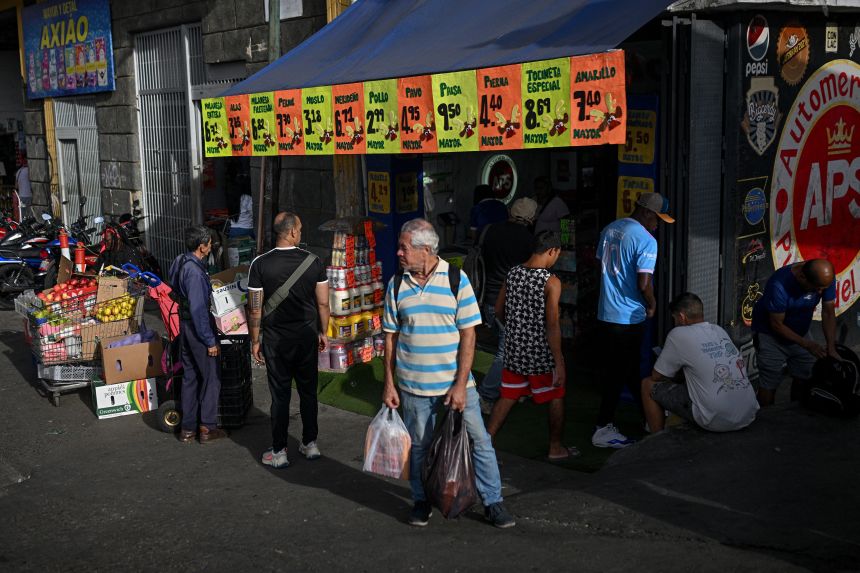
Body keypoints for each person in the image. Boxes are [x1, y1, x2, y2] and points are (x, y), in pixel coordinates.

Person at [382, 218, 515, 529]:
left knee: (480, 441)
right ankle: (421, 500)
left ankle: (493, 501)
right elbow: (390, 336)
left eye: (404, 248)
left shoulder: (457, 279)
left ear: (426, 249)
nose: (398, 253)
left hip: (458, 386)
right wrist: (389, 383)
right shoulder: (397, 284)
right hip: (414, 386)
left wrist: (459, 385)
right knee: (419, 446)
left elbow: (469, 334)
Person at [485, 231, 579, 460]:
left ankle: (485, 444)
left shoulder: (513, 273)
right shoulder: (551, 282)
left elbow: (498, 310)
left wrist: (516, 329)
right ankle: (555, 447)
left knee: (507, 395)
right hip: (540, 353)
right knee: (556, 395)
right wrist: (559, 361)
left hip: (515, 349)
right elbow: (553, 324)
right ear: (552, 251)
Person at [247, 212, 330, 468]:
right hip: (306, 337)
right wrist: (323, 331)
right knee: (308, 392)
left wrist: (255, 340)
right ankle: (310, 443)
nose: (301, 232)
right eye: (301, 228)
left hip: (275, 339)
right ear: (292, 232)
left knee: (280, 395)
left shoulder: (260, 264)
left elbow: (255, 308)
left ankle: (279, 450)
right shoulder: (314, 261)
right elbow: (323, 303)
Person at [592, 192, 674, 448]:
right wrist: (652, 303)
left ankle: (648, 415)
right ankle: (603, 427)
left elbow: (600, 266)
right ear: (647, 213)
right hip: (628, 317)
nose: (658, 225)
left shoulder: (611, 228)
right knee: (619, 371)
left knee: (626, 368)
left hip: (606, 313)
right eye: (657, 219)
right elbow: (643, 282)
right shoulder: (646, 240)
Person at [641, 293, 759, 433]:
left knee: (647, 384)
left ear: (682, 317)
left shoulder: (678, 334)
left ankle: (656, 442)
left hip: (716, 419)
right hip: (748, 413)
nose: (675, 322)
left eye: (675, 318)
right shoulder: (718, 330)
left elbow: (657, 376)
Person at [477, 198, 538, 412]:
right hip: (514, 300)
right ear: (530, 218)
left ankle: (517, 388)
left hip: (489, 298)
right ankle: (486, 394)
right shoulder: (529, 241)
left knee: (516, 347)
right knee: (507, 351)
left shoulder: (489, 230)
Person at [751, 259, 838, 407]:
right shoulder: (779, 285)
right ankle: (764, 420)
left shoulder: (824, 278)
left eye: (823, 288)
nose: (820, 292)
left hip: (801, 333)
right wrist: (807, 345)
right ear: (802, 277)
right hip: (770, 336)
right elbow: (777, 325)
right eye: (817, 288)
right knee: (769, 383)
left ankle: (797, 413)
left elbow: (828, 312)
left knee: (804, 377)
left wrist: (831, 347)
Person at [169, 225, 227, 444]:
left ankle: (187, 429)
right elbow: (198, 310)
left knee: (190, 376)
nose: (211, 246)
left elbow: (174, 289)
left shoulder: (180, 261)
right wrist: (210, 341)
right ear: (202, 247)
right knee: (211, 377)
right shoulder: (194, 272)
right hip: (197, 329)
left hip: (185, 327)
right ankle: (207, 427)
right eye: (209, 243)